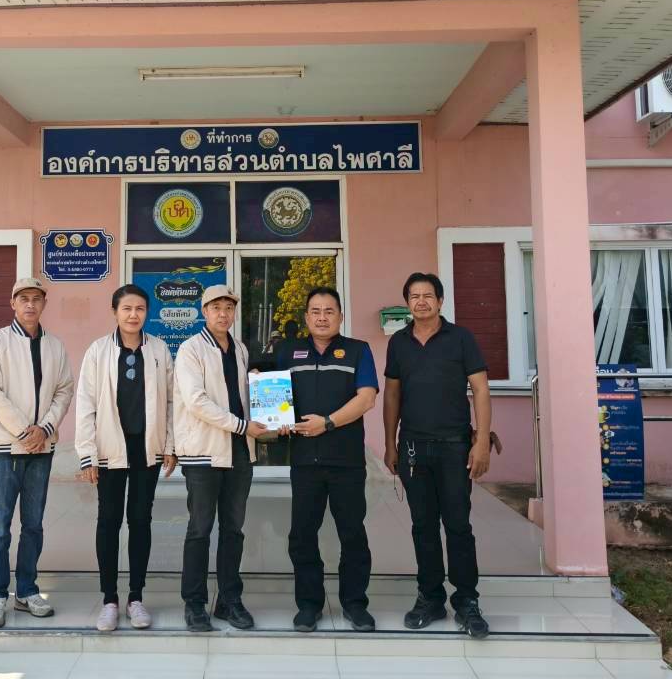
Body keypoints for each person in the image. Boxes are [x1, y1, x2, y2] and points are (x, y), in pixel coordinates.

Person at [382, 272, 492, 639]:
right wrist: (390, 443)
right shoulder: (398, 343)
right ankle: (430, 598)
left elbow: (480, 390)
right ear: (407, 303)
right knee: (423, 526)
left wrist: (480, 443)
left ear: (441, 301)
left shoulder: (461, 338)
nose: (421, 301)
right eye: (414, 296)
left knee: (458, 525)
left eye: (428, 295)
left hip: (455, 447)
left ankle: (467, 601)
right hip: (414, 448)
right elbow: (392, 395)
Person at [275, 286, 380, 633]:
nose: (322, 317)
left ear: (340, 316)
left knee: (352, 534)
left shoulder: (358, 351)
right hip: (304, 460)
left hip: (346, 460)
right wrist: (278, 420)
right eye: (316, 311)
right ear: (306, 317)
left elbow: (366, 399)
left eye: (329, 311)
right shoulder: (288, 352)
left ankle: (355, 604)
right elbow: (275, 398)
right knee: (302, 535)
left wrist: (328, 423)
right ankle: (309, 605)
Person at [74, 284, 178, 632]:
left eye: (140, 309)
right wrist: (87, 454)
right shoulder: (98, 351)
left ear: (147, 313)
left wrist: (170, 444)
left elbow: (172, 401)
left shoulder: (159, 349)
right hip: (109, 449)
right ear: (115, 312)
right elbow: (85, 404)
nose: (134, 315)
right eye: (127, 308)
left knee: (140, 520)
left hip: (147, 448)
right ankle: (109, 600)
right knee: (108, 521)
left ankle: (135, 598)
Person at [0, 277, 74, 628]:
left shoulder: (55, 346)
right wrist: (24, 431)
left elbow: (64, 390)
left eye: (36, 298)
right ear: (13, 304)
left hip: (41, 448)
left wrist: (44, 429)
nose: (30, 304)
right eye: (23, 299)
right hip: (5, 447)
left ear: (44, 303)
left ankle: (27, 590)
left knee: (33, 524)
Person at [173, 284, 268, 632]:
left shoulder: (239, 349)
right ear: (204, 311)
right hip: (203, 453)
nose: (223, 313)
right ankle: (194, 603)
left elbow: (239, 396)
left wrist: (258, 390)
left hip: (239, 452)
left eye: (229, 307)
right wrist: (243, 425)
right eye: (216, 307)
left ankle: (229, 601)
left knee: (233, 529)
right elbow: (196, 401)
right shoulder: (190, 349)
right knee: (200, 529)